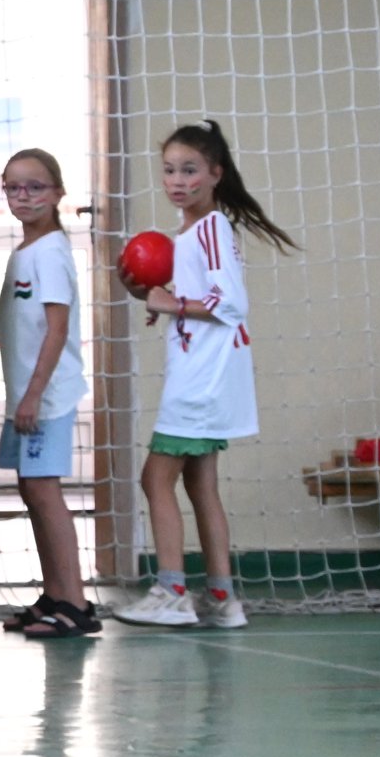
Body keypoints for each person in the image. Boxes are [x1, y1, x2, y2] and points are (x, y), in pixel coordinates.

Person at [112, 120, 296, 629]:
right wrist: (162, 302)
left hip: (203, 378)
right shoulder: (193, 231)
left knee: (155, 476)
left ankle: (171, 590)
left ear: (215, 174)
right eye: (169, 170)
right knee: (200, 484)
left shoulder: (210, 228)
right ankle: (221, 597)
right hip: (208, 372)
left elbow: (230, 302)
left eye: (189, 170)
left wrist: (172, 302)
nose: (177, 180)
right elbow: (199, 299)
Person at [0, 148, 96, 638]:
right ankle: (54, 593)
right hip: (27, 397)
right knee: (30, 489)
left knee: (46, 492)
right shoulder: (26, 251)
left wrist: (33, 396)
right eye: (14, 187)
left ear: (57, 194)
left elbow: (56, 330)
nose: (23, 195)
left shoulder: (51, 251)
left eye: (35, 187)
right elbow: (25, 321)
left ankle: (75, 604)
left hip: (44, 399)